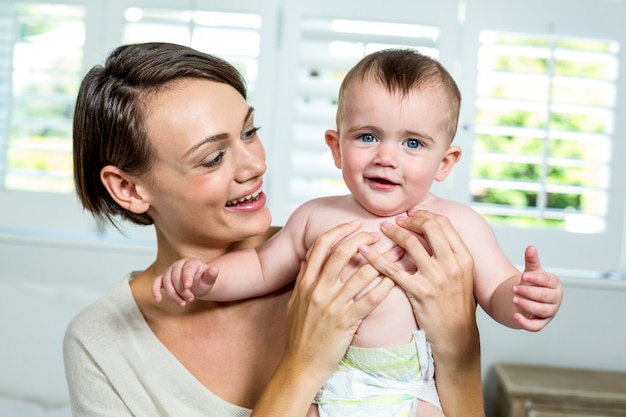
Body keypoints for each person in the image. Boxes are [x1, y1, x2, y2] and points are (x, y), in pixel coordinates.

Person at [63, 42, 485, 417]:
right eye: (212, 158)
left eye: (250, 132)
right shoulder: (101, 343)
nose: (255, 165)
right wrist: (303, 364)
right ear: (129, 188)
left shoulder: (339, 253)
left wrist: (461, 349)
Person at [152, 49, 563, 417]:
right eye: (367, 137)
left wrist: (525, 297)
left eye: (413, 144)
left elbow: (495, 292)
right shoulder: (316, 216)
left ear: (446, 161)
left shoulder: (459, 224)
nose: (386, 157)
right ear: (336, 147)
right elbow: (260, 267)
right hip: (329, 385)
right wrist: (205, 278)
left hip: (410, 390)